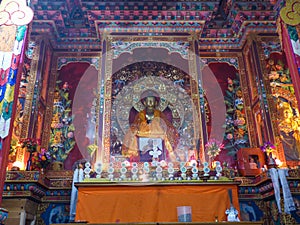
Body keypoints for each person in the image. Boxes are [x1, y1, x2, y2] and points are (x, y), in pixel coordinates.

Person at [122, 92, 178, 162]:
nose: (150, 102)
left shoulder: (159, 114)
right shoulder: (141, 114)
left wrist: (156, 123)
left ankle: (169, 156)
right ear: (144, 103)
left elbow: (166, 124)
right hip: (143, 133)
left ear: (156, 103)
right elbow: (136, 124)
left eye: (152, 100)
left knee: (166, 134)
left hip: (158, 133)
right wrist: (142, 125)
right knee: (133, 135)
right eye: (148, 101)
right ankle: (133, 157)